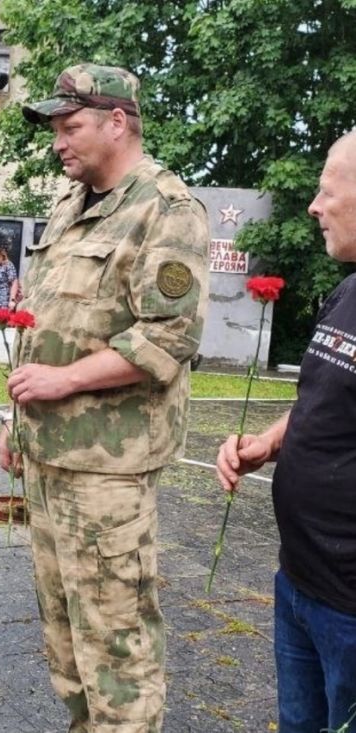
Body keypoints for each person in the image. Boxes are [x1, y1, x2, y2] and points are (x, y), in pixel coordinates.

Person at [0, 64, 209, 732]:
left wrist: (63, 381)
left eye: (71, 125)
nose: (59, 142)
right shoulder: (70, 204)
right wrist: (20, 419)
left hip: (107, 467)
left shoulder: (167, 210)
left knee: (115, 632)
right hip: (48, 453)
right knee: (62, 627)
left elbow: (168, 335)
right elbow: (48, 320)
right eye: (56, 128)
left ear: (117, 121)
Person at [216, 131, 356, 733]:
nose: (314, 206)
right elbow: (322, 402)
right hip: (299, 579)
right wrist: (268, 443)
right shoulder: (348, 292)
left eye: (327, 191)